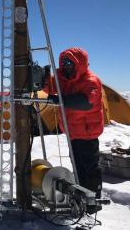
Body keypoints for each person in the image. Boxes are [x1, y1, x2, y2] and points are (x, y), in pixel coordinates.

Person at [44, 47, 104, 204]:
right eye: (64, 62)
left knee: (89, 166)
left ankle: (93, 199)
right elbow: (50, 85)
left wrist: (61, 100)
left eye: (70, 62)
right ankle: (81, 194)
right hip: (72, 132)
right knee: (77, 165)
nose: (66, 65)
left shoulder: (90, 81)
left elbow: (86, 102)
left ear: (80, 63)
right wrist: (41, 77)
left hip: (87, 132)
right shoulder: (63, 78)